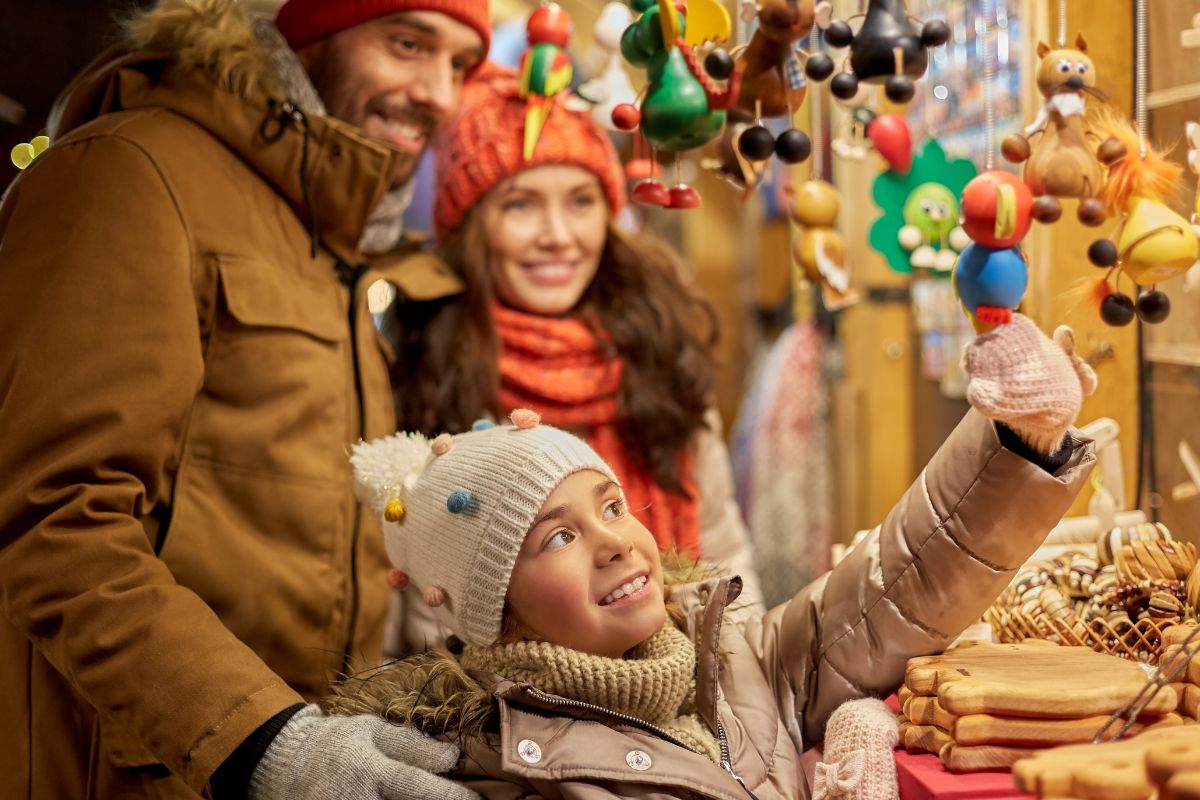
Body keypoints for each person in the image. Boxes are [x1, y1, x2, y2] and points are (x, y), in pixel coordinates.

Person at [0, 0, 491, 798]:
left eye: (461, 65)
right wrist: (264, 740)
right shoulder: (130, 171)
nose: (437, 91)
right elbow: (54, 515)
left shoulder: (329, 239)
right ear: (308, 36)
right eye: (408, 44)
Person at [341, 309, 1096, 799]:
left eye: (611, 506)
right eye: (559, 538)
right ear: (497, 615)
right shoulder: (514, 773)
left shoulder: (736, 661)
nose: (612, 541)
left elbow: (891, 589)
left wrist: (1013, 444)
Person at [384, 64, 764, 653]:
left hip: (688, 685)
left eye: (582, 201)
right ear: (469, 225)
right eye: (520, 205)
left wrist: (740, 685)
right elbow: (421, 620)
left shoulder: (655, 346)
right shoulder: (426, 371)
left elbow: (722, 550)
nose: (558, 235)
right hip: (511, 719)